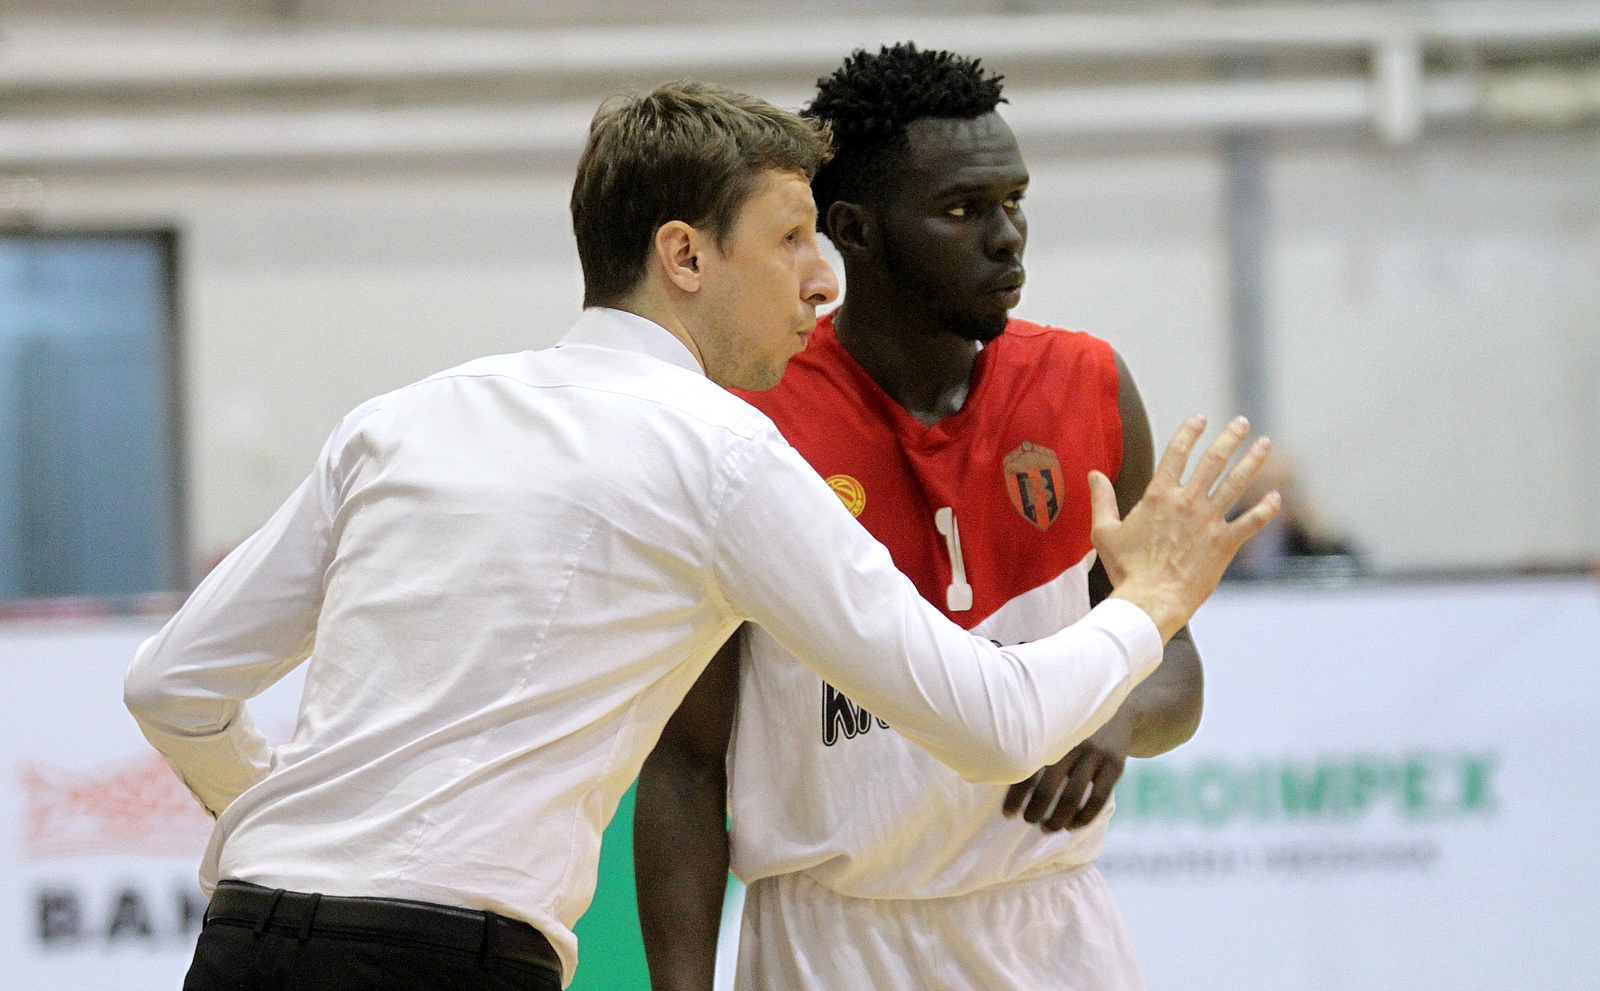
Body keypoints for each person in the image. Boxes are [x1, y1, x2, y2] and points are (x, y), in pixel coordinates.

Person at [126, 81, 1276, 991]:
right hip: (453, 957)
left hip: (245, 938)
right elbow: (994, 724)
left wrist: (302, 836)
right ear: (685, 257)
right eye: (790, 240)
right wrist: (1150, 600)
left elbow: (170, 685)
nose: (818, 281)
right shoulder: (723, 451)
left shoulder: (401, 417)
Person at [636, 47, 1219, 991]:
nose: (1007, 236)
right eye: (962, 209)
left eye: (1013, 200)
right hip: (830, 938)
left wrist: (1113, 715)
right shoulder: (750, 421)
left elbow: (1175, 667)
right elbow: (686, 761)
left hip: (1052, 926)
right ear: (854, 231)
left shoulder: (1089, 387)